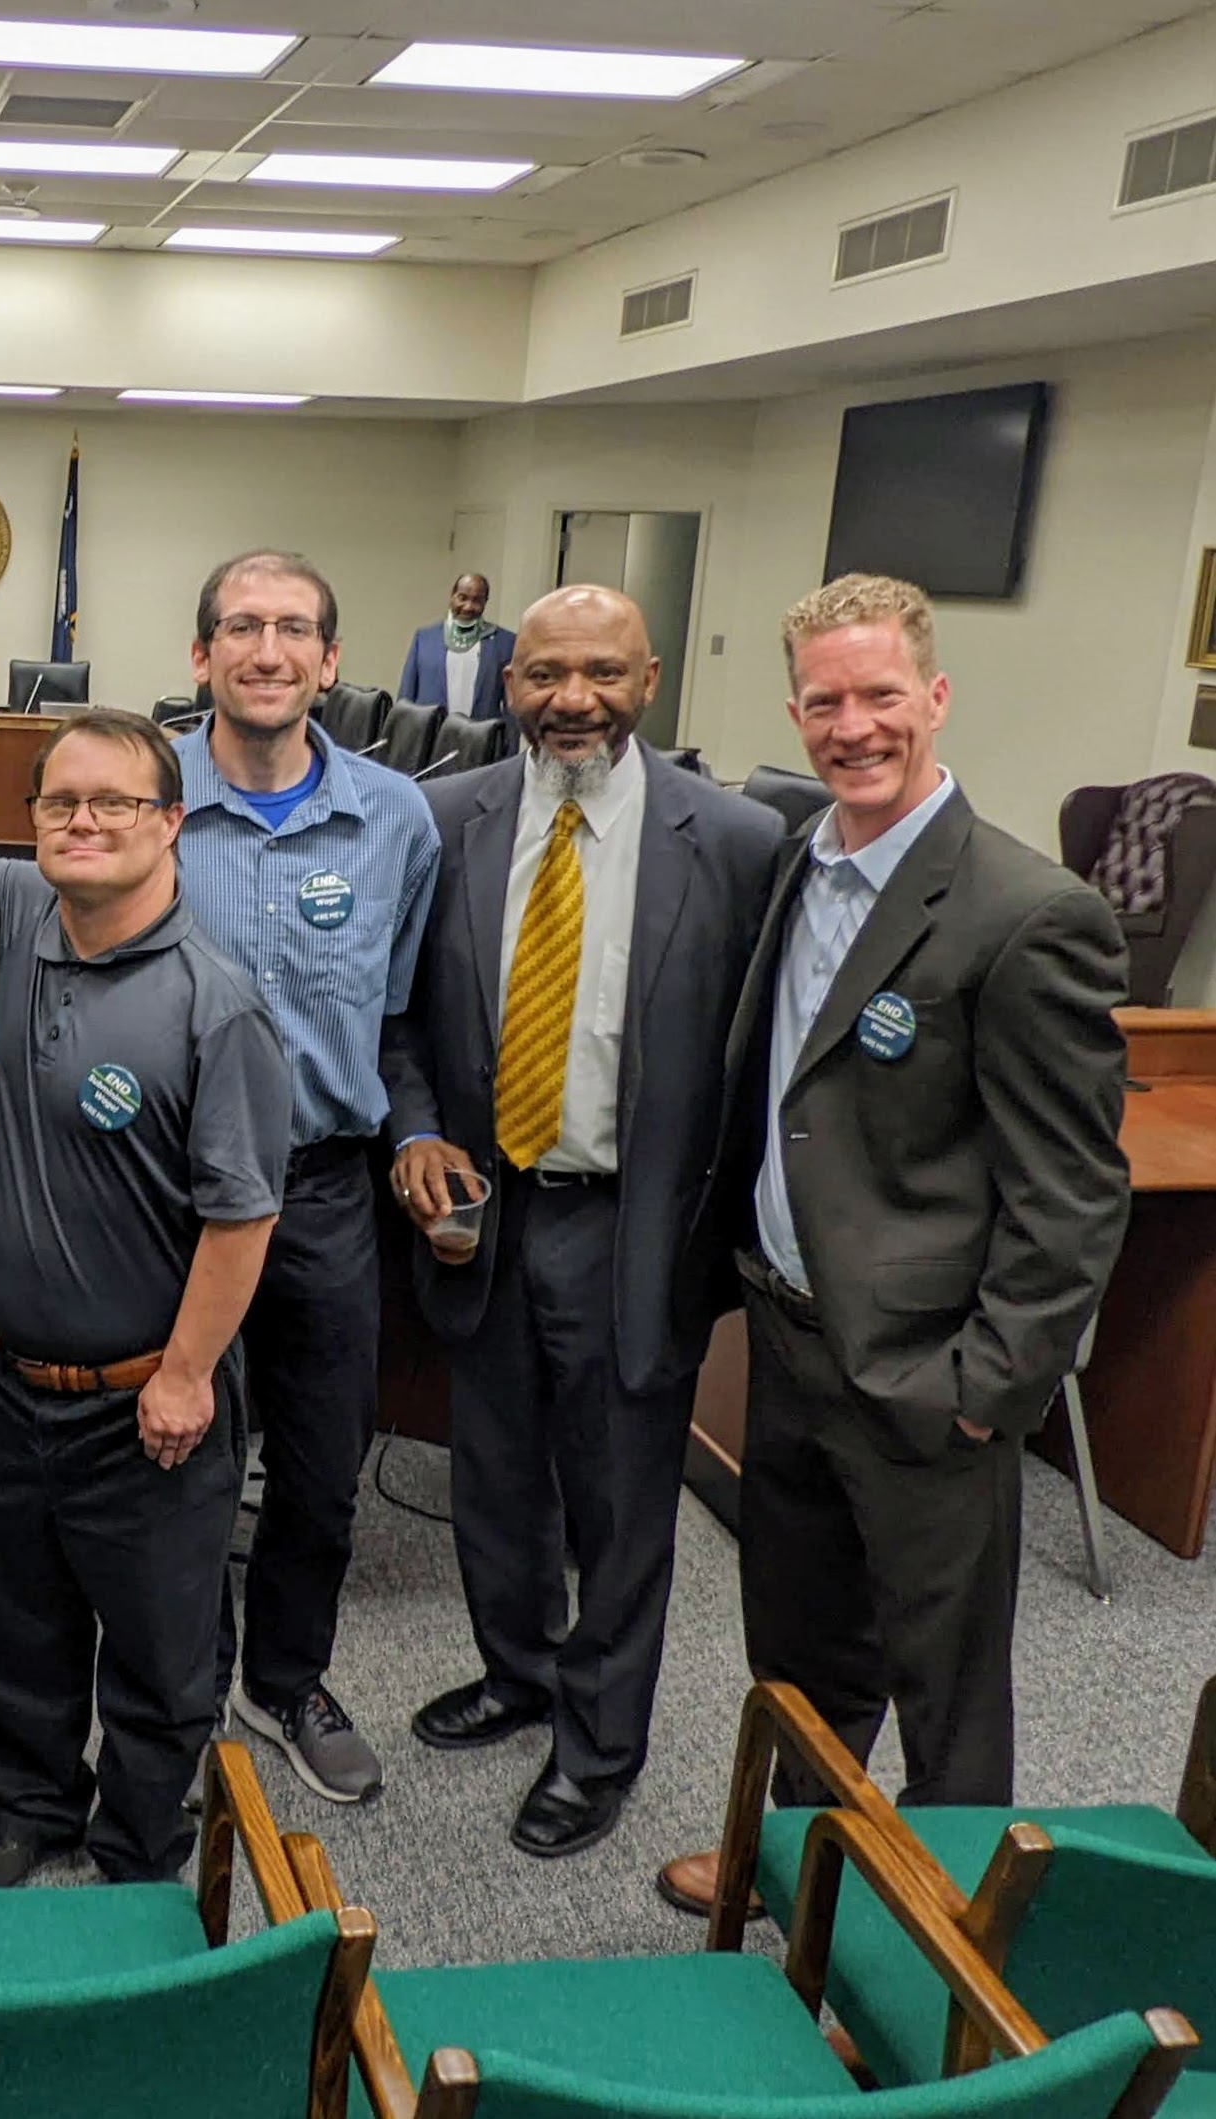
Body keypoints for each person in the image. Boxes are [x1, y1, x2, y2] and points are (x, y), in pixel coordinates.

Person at [658, 574, 1132, 1916]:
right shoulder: (797, 862)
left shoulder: (1024, 911)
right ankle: (806, 1868)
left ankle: (931, 1952)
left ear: (934, 697)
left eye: (879, 695)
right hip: (792, 1341)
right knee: (801, 1654)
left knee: (944, 1689)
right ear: (794, 712)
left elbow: (1072, 1190)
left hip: (928, 1375)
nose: (852, 725)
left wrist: (989, 1388)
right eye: (823, 700)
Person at [378, 586, 780, 1859]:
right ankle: (515, 1673)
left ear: (646, 679)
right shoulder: (442, 820)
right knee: (491, 1476)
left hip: (631, 1225)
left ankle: (597, 1745)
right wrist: (413, 1130)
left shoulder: (733, 838)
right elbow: (398, 1019)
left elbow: (759, 1050)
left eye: (599, 672)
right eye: (545, 674)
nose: (571, 699)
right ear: (508, 686)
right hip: (487, 1210)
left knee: (616, 1504)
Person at [0, 710, 293, 1888]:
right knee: (9, 1624)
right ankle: (28, 1807)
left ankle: (137, 1851)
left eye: (115, 804)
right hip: (2, 1376)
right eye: (58, 803)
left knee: (156, 1654)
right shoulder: (24, 912)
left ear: (171, 824)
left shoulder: (214, 1003)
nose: (83, 821)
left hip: (146, 1399)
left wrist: (187, 1375)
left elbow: (243, 1216)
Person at [177, 551, 440, 1807]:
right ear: (202, 657)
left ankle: (282, 1681)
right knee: (175, 1459)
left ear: (329, 662)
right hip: (169, 1196)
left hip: (326, 1188)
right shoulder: (141, 794)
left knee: (323, 1471)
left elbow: (402, 1015)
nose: (266, 649)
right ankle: (174, 1694)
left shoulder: (397, 817)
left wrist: (412, 1138)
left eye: (293, 630)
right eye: (240, 627)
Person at [398, 573, 514, 723]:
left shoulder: (505, 642)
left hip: (481, 740)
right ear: (452, 596)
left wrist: (508, 745)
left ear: (485, 602)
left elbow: (512, 708)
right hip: (430, 739)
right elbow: (405, 699)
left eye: (477, 600)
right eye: (462, 597)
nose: (468, 607)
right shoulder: (425, 639)